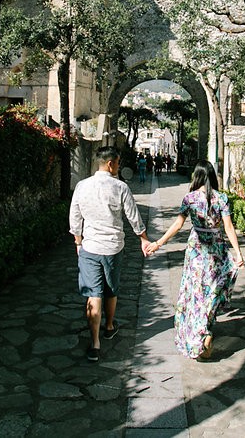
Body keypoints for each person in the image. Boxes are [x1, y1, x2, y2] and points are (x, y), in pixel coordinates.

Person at [145, 160, 244, 360]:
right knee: (211, 291)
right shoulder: (221, 198)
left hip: (196, 251)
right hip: (216, 249)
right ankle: (205, 329)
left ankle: (199, 333)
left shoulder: (189, 199)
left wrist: (158, 243)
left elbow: (177, 224)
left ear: (197, 176)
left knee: (195, 292)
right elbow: (229, 228)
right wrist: (238, 253)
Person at [69, 145, 152, 362]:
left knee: (93, 293)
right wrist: (143, 238)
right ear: (110, 163)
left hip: (90, 247)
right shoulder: (120, 187)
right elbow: (133, 216)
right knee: (111, 288)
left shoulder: (82, 186)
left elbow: (75, 216)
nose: (118, 166)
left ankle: (95, 343)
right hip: (113, 247)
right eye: (117, 162)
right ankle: (109, 325)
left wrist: (78, 241)